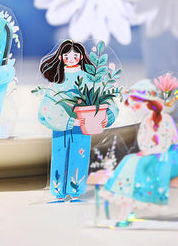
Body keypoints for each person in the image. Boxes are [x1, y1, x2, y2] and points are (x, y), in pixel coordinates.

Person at [38, 40, 118, 201]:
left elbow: (104, 98)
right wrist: (67, 120)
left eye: (75, 56)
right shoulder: (57, 81)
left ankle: (75, 191)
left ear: (81, 57)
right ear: (61, 57)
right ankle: (59, 191)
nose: (71, 59)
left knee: (79, 157)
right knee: (59, 156)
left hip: (84, 125)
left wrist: (107, 116)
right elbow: (45, 109)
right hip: (61, 127)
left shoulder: (89, 78)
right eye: (67, 56)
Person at [100, 94, 178, 223]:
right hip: (151, 153)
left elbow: (165, 144)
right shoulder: (146, 120)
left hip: (168, 157)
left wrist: (149, 151)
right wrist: (147, 150)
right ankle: (125, 208)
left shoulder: (165, 119)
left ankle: (127, 210)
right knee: (129, 159)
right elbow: (142, 141)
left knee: (137, 164)